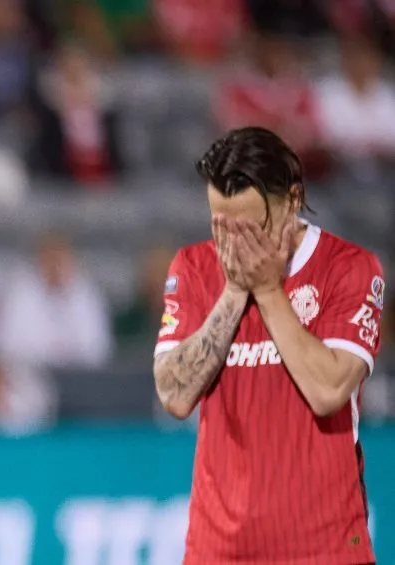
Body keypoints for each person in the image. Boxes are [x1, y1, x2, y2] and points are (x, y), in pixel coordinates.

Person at [153, 126, 382, 563]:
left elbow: (328, 390)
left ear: (293, 200)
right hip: (219, 550)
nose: (236, 244)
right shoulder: (194, 267)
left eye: (252, 228)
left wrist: (269, 291)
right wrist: (234, 291)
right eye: (222, 227)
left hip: (325, 548)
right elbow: (174, 394)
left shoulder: (348, 268)